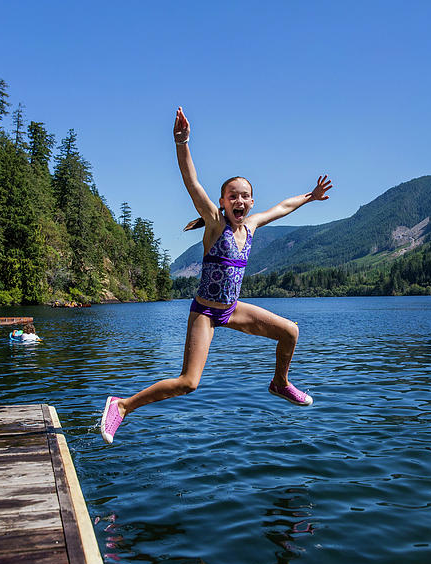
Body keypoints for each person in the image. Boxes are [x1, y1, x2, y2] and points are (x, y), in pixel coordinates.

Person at [101, 107, 332, 444]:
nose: (239, 201)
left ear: (251, 202)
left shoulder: (251, 225)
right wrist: (182, 142)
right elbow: (192, 183)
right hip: (205, 313)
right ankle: (121, 406)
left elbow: (283, 207)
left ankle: (280, 383)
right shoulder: (215, 223)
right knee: (188, 382)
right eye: (232, 196)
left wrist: (310, 197)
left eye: (245, 196)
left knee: (290, 332)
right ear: (223, 202)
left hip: (232, 308)